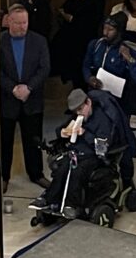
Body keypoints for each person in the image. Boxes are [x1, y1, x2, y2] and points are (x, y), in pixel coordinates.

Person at [30, 89, 128, 219]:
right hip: (75, 152)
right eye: (76, 111)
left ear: (88, 103)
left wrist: (85, 133)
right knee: (62, 168)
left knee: (76, 171)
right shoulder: (77, 116)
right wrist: (63, 132)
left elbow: (102, 147)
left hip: (93, 156)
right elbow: (60, 129)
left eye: (81, 109)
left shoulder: (103, 119)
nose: (79, 113)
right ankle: (49, 199)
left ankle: (71, 204)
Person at [0, 4, 51, 194]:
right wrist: (13, 88)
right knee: (5, 141)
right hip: (8, 100)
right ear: (9, 22)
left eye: (25, 23)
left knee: (34, 140)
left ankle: (36, 174)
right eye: (18, 23)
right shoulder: (0, 42)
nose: (22, 27)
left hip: (32, 99)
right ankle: (4, 176)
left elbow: (44, 68)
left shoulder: (39, 41)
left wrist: (29, 87)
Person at [82, 12, 136, 130]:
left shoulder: (128, 50)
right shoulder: (95, 45)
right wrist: (89, 78)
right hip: (96, 93)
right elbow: (86, 66)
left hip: (118, 98)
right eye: (104, 28)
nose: (105, 33)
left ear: (119, 32)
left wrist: (130, 59)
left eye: (110, 29)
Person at [54, 0, 104, 90]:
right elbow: (66, 7)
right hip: (70, 38)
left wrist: (71, 18)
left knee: (82, 69)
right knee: (71, 70)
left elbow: (90, 20)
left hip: (84, 39)